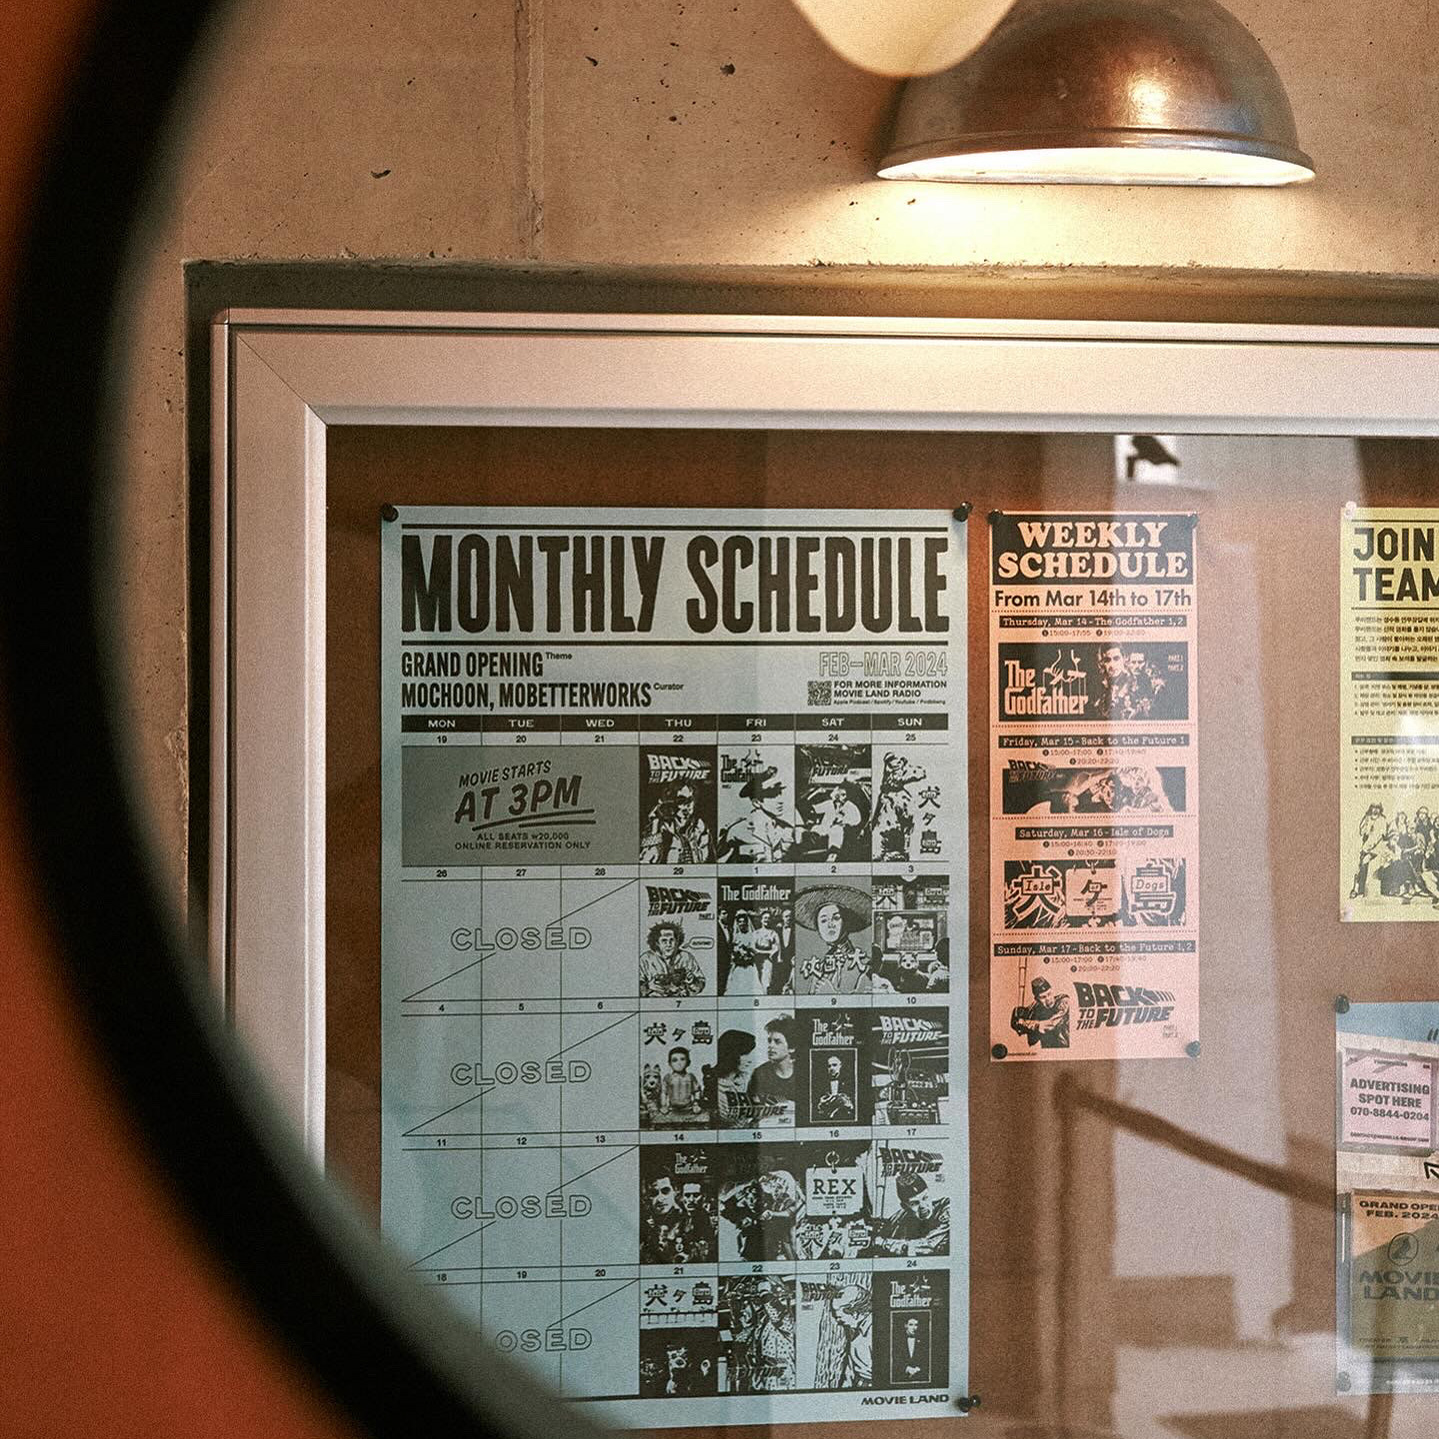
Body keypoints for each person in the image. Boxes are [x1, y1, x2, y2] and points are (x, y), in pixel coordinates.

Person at [795, 884, 873, 994]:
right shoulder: (819, 968)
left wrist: (832, 993)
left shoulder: (863, 963)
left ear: (846, 922)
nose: (830, 925)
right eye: (823, 920)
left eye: (836, 918)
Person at [720, 1167, 805, 1260]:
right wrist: (743, 1189)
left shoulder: (772, 1207)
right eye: (748, 1198)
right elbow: (724, 1205)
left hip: (772, 1255)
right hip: (749, 1257)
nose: (751, 1201)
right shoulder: (743, 1212)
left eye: (755, 1197)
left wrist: (773, 1214)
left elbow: (791, 1210)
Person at [874, 1172, 950, 1257]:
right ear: (905, 1206)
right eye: (914, 1203)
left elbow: (929, 1245)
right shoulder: (899, 1217)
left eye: (925, 1198)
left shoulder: (946, 1207)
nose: (923, 1206)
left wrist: (884, 1243)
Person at [641, 779, 712, 864]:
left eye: (690, 799)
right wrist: (655, 826)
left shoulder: (699, 826)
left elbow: (711, 860)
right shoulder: (660, 827)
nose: (687, 805)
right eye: (681, 801)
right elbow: (645, 862)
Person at [747, 1014, 799, 1124]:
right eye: (769, 1041)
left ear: (791, 1048)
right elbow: (753, 1113)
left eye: (777, 1042)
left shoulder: (803, 1073)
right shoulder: (760, 1074)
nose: (771, 1046)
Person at [706, 1029, 758, 1127]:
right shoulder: (714, 1084)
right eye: (744, 1054)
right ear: (732, 1054)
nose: (750, 1060)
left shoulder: (747, 1078)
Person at [639, 920, 705, 997]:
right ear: (657, 943)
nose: (668, 944)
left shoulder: (686, 957)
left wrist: (692, 981)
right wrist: (648, 986)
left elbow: (701, 983)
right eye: (664, 941)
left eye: (672, 940)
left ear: (677, 941)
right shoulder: (645, 959)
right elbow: (632, 987)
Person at [828, 1285, 873, 1388]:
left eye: (839, 1317)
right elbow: (850, 1369)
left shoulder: (873, 1330)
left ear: (854, 1313)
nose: (838, 1322)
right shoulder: (855, 1331)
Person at [1010, 975, 1070, 1048]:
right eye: (1043, 997)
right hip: (1047, 1051)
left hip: (1065, 1049)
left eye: (1049, 994)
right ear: (1037, 999)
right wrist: (1017, 1015)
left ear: (1052, 990)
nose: (1048, 999)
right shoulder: (1035, 1008)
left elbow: (1050, 1024)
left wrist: (1027, 1023)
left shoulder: (1063, 1001)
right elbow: (1016, 1023)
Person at [660, 1046, 703, 1121]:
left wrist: (696, 1104)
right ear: (669, 1063)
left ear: (688, 1062)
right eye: (674, 1060)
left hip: (689, 1108)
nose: (679, 1063)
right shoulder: (668, 1077)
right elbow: (664, 1092)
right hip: (672, 1109)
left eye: (682, 1059)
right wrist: (664, 1105)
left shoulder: (691, 1077)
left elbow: (697, 1091)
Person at [814, 1053, 856, 1122]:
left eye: (834, 1065)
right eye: (829, 1066)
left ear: (840, 1066)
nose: (831, 1068)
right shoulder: (820, 1085)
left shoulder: (850, 1083)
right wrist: (820, 1104)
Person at [895, 1315, 930, 1385]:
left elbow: (926, 1359)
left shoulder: (923, 1342)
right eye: (911, 1325)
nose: (914, 1328)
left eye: (916, 1325)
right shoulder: (897, 1341)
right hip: (900, 1378)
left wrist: (918, 1369)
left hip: (919, 1378)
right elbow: (895, 1359)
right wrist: (907, 1369)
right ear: (906, 1326)